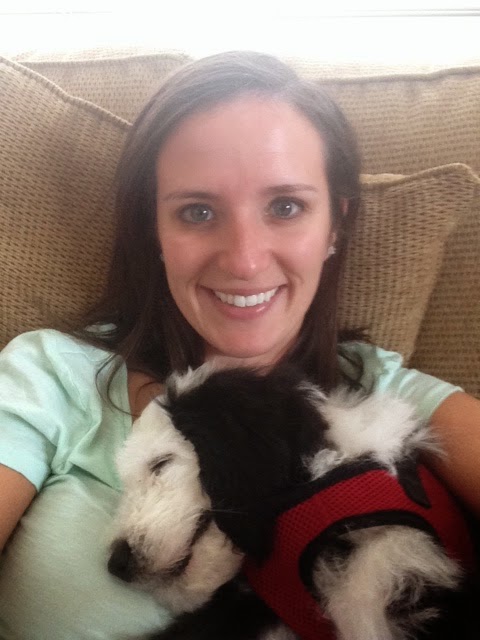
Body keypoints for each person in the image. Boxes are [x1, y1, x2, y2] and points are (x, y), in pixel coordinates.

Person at [0, 50, 479, 639]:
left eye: (286, 206)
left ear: (334, 225)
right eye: (198, 211)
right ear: (154, 230)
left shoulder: (393, 398)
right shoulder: (52, 374)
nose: (245, 260)